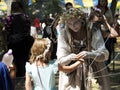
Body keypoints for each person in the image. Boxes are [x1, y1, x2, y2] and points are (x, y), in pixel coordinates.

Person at [57, 8, 110, 90]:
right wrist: (70, 57)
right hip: (72, 70)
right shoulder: (64, 33)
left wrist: (91, 54)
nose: (73, 26)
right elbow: (61, 59)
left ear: (81, 20)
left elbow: (104, 53)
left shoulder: (91, 30)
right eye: (70, 23)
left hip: (93, 68)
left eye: (76, 22)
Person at [3, 1, 34, 77]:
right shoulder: (25, 17)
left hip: (13, 42)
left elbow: (6, 30)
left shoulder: (9, 18)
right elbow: (28, 28)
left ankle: (16, 74)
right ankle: (25, 73)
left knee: (14, 58)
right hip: (25, 41)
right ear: (21, 8)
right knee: (24, 57)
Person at [96, 0, 118, 69]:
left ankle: (106, 64)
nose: (103, 3)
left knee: (108, 49)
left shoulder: (108, 10)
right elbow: (93, 20)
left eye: (104, 1)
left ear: (106, 2)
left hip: (107, 31)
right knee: (100, 49)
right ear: (99, 2)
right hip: (98, 32)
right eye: (101, 1)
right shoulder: (96, 9)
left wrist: (111, 22)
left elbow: (111, 21)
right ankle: (101, 66)